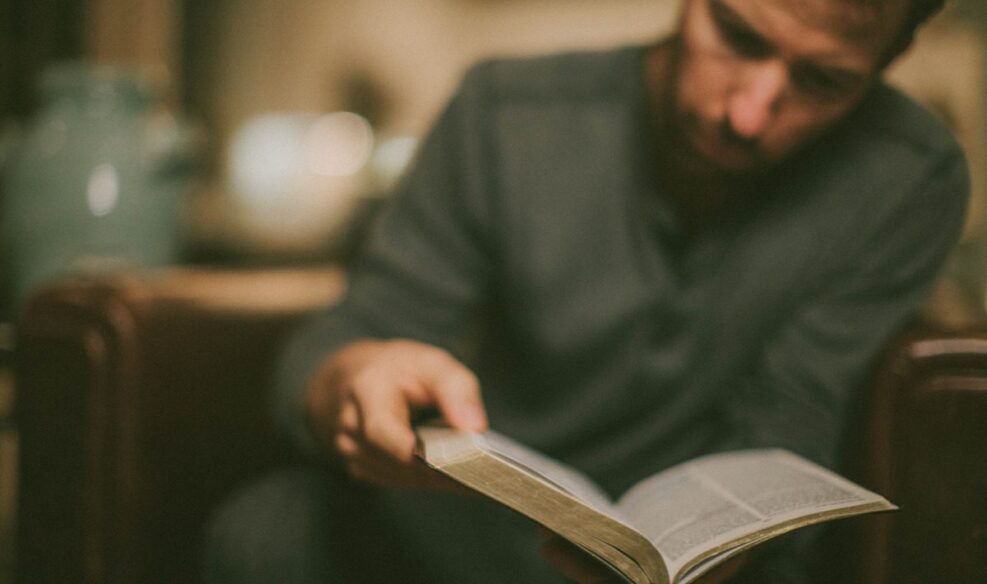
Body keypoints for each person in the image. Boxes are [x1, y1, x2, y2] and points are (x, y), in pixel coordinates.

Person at [206, 0, 968, 582]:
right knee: (268, 528)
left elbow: (791, 420)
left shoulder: (910, 179)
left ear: (890, 59)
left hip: (699, 562)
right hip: (466, 529)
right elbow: (348, 335)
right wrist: (356, 376)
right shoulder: (504, 113)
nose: (747, 114)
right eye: (737, 35)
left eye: (823, 81)